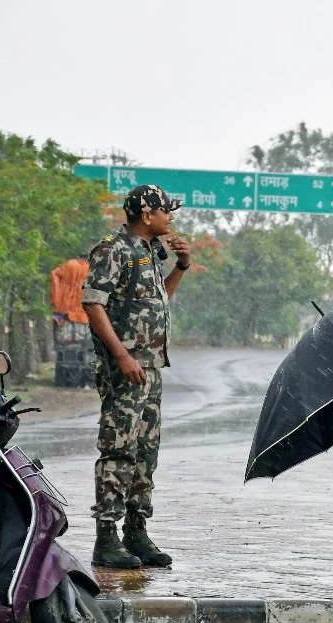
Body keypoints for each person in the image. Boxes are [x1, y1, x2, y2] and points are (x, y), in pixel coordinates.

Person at [81, 185, 190, 569]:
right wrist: (122, 355)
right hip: (125, 368)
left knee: (146, 451)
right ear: (147, 214)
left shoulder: (147, 251)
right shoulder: (113, 248)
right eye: (166, 211)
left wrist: (181, 266)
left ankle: (137, 531)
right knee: (118, 449)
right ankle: (106, 538)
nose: (171, 217)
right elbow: (93, 304)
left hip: (151, 367)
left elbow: (159, 299)